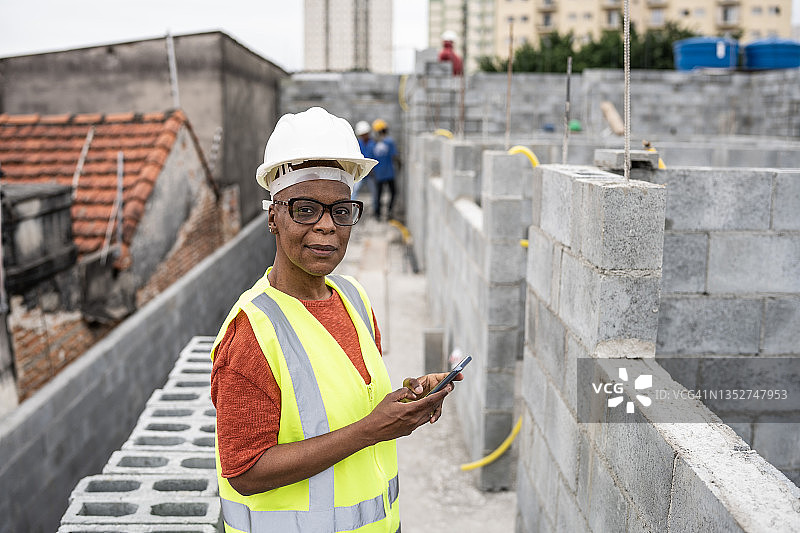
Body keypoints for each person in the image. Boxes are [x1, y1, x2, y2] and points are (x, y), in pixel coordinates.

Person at [210, 106, 462, 533]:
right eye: (305, 209)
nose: (327, 226)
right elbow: (245, 471)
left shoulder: (353, 297)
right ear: (273, 216)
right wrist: (371, 429)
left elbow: (351, 398)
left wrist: (408, 397)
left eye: (340, 211)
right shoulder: (251, 333)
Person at [370, 118, 399, 220]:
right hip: (389, 173)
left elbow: (371, 158)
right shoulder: (389, 142)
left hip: (378, 174)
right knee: (393, 192)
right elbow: (394, 156)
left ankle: (378, 214)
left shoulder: (373, 143)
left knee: (378, 194)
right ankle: (389, 212)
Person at [350, 120, 376, 202]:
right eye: (363, 135)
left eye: (366, 134)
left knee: (374, 192)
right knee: (354, 191)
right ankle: (351, 208)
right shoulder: (357, 144)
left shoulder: (373, 143)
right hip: (360, 172)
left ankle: (376, 210)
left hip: (371, 173)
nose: (364, 136)